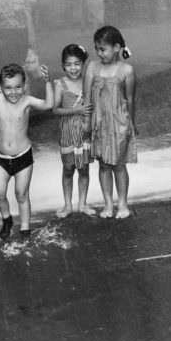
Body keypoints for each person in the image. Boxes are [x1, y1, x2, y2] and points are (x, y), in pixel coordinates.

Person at [0, 63, 54, 239]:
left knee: (21, 194)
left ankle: (25, 228)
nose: (14, 92)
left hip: (23, 156)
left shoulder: (27, 101)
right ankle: (6, 218)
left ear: (24, 86)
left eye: (18, 87)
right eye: (8, 88)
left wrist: (47, 81)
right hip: (1, 157)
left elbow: (48, 105)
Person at [83, 26, 137, 219]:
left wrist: (132, 124)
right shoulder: (92, 67)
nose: (99, 53)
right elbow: (87, 97)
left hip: (119, 123)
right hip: (99, 123)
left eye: (103, 49)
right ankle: (108, 203)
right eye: (97, 49)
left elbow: (130, 99)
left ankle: (122, 202)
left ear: (116, 47)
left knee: (119, 165)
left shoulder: (126, 70)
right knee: (103, 165)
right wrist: (86, 123)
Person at [52, 44, 94, 217]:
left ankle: (82, 204)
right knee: (68, 168)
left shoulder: (88, 82)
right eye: (69, 64)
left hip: (84, 131)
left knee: (83, 169)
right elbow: (55, 110)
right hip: (67, 131)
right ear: (63, 65)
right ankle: (67, 205)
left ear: (83, 63)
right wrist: (76, 110)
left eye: (77, 63)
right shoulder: (60, 84)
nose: (73, 68)